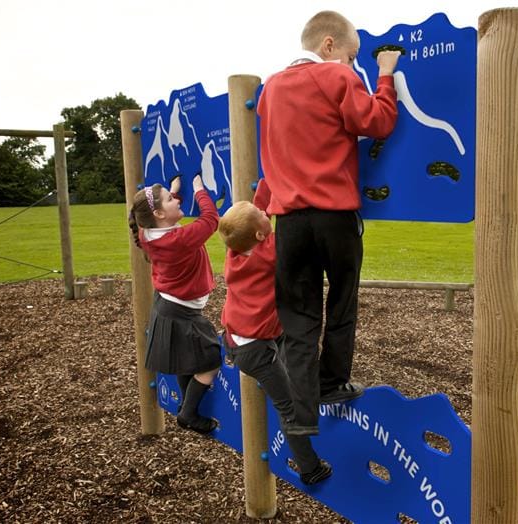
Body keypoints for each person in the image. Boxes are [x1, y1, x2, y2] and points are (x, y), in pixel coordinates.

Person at [257, 10, 401, 432]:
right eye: (353, 56)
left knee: (298, 314)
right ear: (329, 46)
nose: (355, 65)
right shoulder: (338, 78)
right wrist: (385, 76)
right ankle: (332, 383)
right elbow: (377, 122)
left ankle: (302, 412)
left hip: (291, 223)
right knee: (341, 301)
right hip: (334, 215)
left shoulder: (270, 89)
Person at [218, 180, 332, 485]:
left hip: (240, 336)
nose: (264, 212)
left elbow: (263, 205)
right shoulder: (269, 254)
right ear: (260, 234)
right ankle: (310, 468)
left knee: (291, 354)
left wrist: (274, 173)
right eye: (260, 214)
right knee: (288, 406)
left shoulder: (236, 250)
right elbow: (290, 239)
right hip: (255, 350)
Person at [128, 173, 221, 436]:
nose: (175, 200)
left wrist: (175, 192)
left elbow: (163, 215)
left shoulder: (148, 233)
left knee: (186, 359)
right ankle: (189, 413)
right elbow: (210, 220)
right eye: (170, 199)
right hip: (180, 310)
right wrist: (199, 190)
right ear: (158, 212)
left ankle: (185, 403)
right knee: (210, 360)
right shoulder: (178, 240)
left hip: (169, 305)